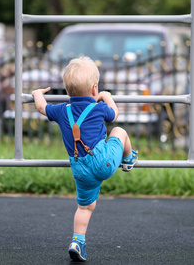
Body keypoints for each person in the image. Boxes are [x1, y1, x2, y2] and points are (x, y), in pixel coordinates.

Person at [32, 56, 138, 262]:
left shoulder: (62, 110)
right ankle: (128, 158)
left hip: (79, 169)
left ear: (67, 91)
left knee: (85, 207)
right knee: (119, 131)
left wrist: (37, 93)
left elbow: (41, 108)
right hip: (103, 162)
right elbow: (114, 114)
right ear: (93, 89)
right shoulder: (98, 107)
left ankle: (77, 241)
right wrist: (106, 96)